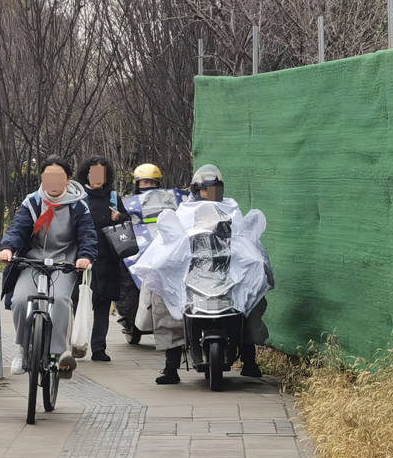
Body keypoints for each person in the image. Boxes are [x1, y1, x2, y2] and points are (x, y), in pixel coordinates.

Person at [138, 164, 271, 383]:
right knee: (163, 300)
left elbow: (246, 241)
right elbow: (168, 246)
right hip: (190, 279)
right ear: (195, 189)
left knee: (253, 298)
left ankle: (249, 359)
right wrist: (169, 265)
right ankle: (170, 366)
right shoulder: (184, 213)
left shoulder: (232, 210)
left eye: (215, 190)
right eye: (205, 190)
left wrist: (252, 264)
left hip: (229, 278)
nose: (210, 195)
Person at [0, 156, 98, 378]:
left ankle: (58, 353)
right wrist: (8, 249)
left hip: (65, 262)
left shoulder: (78, 205)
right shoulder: (32, 202)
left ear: (67, 179)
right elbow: (17, 229)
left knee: (61, 300)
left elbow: (88, 235)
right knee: (20, 300)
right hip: (33, 260)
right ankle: (23, 350)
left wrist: (85, 257)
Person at [116, 163, 189, 336]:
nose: (148, 187)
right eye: (144, 183)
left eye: (151, 183)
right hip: (139, 250)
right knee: (128, 281)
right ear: (137, 184)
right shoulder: (127, 204)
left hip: (164, 247)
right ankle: (129, 319)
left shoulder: (170, 201)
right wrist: (121, 217)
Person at [74, 155, 130, 362]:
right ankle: (76, 342)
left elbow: (127, 222)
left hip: (108, 259)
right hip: (83, 259)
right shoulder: (78, 197)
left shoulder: (113, 197)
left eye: (102, 173)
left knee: (102, 304)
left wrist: (119, 217)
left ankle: (99, 348)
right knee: (77, 301)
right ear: (86, 174)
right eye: (93, 172)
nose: (98, 177)